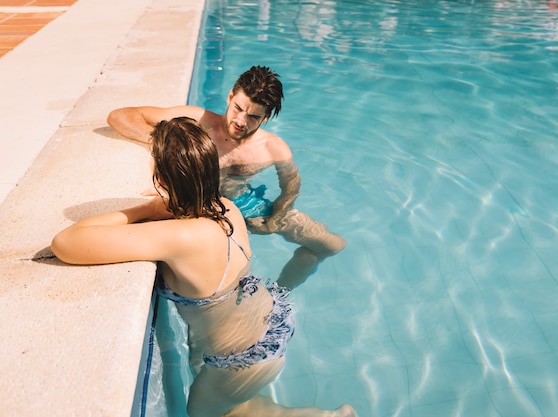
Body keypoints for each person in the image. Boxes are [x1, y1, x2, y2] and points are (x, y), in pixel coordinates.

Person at [51, 118, 357, 417]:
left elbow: (66, 242)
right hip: (269, 324)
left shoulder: (181, 236)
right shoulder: (227, 207)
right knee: (234, 406)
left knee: (200, 412)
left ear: (160, 180)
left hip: (243, 358)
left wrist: (146, 208)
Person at [106, 65, 345, 290]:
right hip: (194, 204)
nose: (241, 121)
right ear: (230, 96)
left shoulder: (274, 148)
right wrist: (167, 144)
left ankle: (280, 291)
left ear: (266, 118)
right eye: (238, 108)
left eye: (253, 116)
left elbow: (291, 187)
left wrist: (275, 219)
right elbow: (120, 116)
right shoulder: (197, 121)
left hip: (244, 205)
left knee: (331, 245)